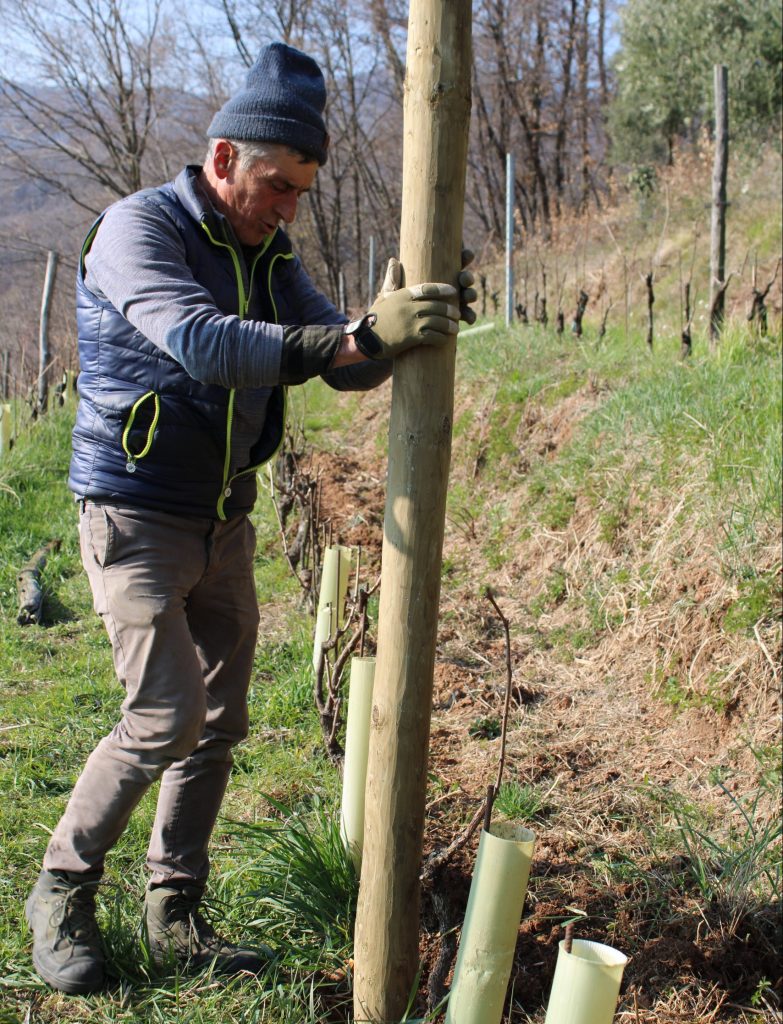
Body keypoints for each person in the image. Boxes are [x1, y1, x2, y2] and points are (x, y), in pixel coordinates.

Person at [25, 41, 476, 994]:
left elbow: (343, 361)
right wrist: (352, 334)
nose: (287, 209)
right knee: (163, 716)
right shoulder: (136, 230)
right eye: (277, 185)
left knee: (220, 721)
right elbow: (202, 343)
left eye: (301, 193)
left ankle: (173, 906)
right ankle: (61, 888)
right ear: (223, 157)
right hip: (135, 510)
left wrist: (406, 325)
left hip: (224, 514)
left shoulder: (269, 253)